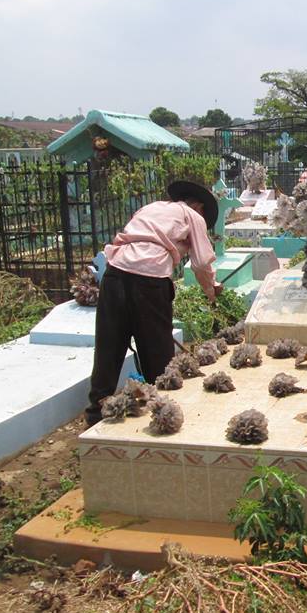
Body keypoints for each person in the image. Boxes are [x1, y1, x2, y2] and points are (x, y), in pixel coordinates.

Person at [84, 179, 222, 427]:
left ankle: (96, 412)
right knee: (157, 350)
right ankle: (163, 413)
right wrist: (212, 291)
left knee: (109, 345)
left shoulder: (151, 208)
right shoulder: (193, 216)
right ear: (199, 207)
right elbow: (201, 262)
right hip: (149, 279)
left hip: (115, 273)